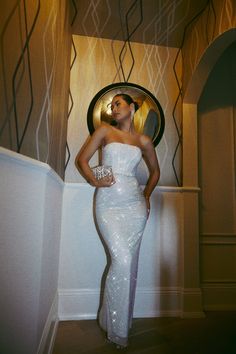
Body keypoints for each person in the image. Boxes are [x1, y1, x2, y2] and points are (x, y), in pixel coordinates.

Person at [75, 93, 160, 349]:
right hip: (108, 205)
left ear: (132, 107)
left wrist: (146, 197)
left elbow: (156, 172)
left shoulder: (143, 140)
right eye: (111, 105)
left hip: (134, 208)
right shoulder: (103, 132)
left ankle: (117, 324)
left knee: (127, 263)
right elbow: (82, 160)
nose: (113, 108)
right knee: (121, 260)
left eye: (118, 104)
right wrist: (94, 180)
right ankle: (112, 322)